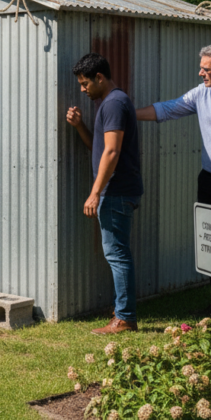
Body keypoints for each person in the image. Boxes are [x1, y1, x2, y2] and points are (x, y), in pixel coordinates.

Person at [135, 43, 211, 318]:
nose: (200, 73)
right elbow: (169, 109)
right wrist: (128, 112)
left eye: (205, 68)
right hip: (210, 180)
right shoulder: (202, 94)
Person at [66, 53, 144, 334]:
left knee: (117, 255)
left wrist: (94, 192)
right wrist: (79, 127)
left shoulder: (113, 103)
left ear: (100, 77)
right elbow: (99, 149)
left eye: (85, 84)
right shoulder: (111, 103)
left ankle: (124, 318)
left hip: (115, 192)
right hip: (118, 191)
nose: (83, 89)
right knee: (118, 253)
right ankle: (122, 312)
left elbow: (112, 152)